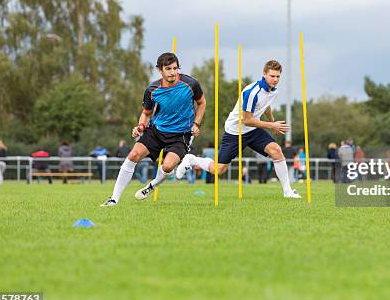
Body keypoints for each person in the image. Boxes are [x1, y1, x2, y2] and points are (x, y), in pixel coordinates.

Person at [176, 60, 300, 198]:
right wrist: (272, 125)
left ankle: (287, 192)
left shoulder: (273, 91)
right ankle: (192, 160)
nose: (275, 79)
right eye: (272, 76)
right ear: (264, 74)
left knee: (276, 150)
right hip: (235, 132)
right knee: (219, 170)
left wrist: (272, 121)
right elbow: (247, 120)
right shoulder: (252, 92)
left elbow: (266, 106)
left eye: (278, 76)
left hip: (253, 130)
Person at [101, 52, 206, 206]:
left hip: (181, 134)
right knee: (133, 155)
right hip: (156, 131)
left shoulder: (191, 84)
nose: (172, 72)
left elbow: (202, 103)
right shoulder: (152, 90)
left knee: (168, 166)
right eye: (168, 69)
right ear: (160, 70)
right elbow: (146, 113)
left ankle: (152, 185)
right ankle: (113, 199)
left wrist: (196, 124)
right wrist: (140, 126)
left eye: (175, 68)